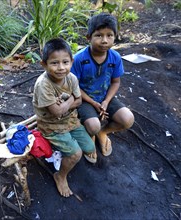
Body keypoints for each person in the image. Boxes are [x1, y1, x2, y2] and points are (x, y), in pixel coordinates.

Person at [33, 38, 96, 197]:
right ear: (44, 64)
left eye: (65, 62)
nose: (61, 67)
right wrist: (71, 102)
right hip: (51, 126)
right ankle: (60, 176)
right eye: (54, 63)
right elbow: (56, 112)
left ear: (71, 62)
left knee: (89, 148)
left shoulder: (72, 78)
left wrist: (66, 104)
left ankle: (63, 150)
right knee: (76, 154)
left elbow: (79, 100)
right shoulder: (43, 84)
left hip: (71, 121)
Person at [71, 13, 134, 157]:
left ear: (115, 36)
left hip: (105, 97)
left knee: (127, 120)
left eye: (109, 35)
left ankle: (103, 132)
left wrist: (105, 101)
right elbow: (74, 88)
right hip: (84, 99)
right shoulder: (79, 59)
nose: (105, 40)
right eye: (99, 35)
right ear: (88, 37)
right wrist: (93, 103)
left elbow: (115, 82)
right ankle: (91, 134)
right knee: (93, 126)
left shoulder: (115, 57)